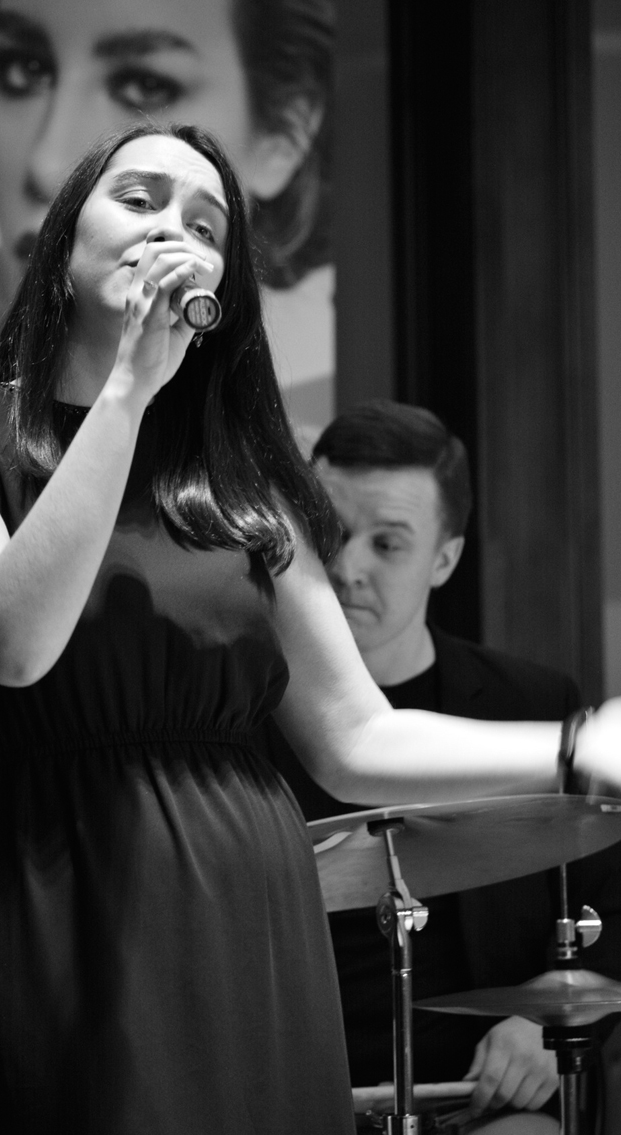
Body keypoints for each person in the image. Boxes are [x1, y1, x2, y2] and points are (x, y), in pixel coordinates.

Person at [0, 123, 621, 1135]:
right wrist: (130, 388)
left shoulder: (243, 495)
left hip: (250, 905)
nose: (172, 231)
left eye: (205, 224)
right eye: (138, 199)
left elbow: (357, 737)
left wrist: (576, 746)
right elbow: (12, 646)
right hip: (62, 898)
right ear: (62, 246)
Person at [265, 399, 621, 1134]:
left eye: (388, 544)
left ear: (446, 559)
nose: (347, 566)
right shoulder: (241, 712)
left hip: (478, 1100)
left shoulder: (530, 702)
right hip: (291, 1096)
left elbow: (614, 912)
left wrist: (546, 1020)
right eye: (331, 532)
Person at [0, 0, 334, 419]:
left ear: (283, 134)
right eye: (24, 69)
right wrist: (129, 385)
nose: (48, 166)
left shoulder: (276, 462)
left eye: (146, 84)